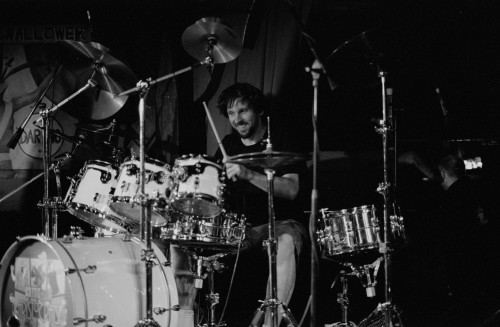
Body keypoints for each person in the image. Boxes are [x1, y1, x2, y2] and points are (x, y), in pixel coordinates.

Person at [213, 82, 307, 326]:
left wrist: (249, 175)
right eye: (231, 114)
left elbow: (291, 189)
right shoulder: (227, 145)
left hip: (280, 224)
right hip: (239, 230)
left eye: (243, 111)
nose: (237, 119)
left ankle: (271, 323)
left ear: (258, 110)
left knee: (285, 241)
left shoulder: (282, 137)